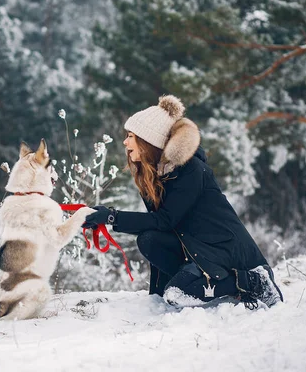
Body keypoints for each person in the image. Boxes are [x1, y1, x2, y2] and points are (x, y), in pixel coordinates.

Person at [82, 95, 283, 309]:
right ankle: (189, 281)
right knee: (148, 240)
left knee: (178, 295)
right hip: (195, 249)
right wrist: (157, 294)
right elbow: (158, 227)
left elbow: (164, 220)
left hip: (225, 253)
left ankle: (252, 282)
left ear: (149, 141)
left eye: (131, 136)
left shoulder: (192, 170)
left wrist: (112, 217)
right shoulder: (155, 174)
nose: (125, 142)